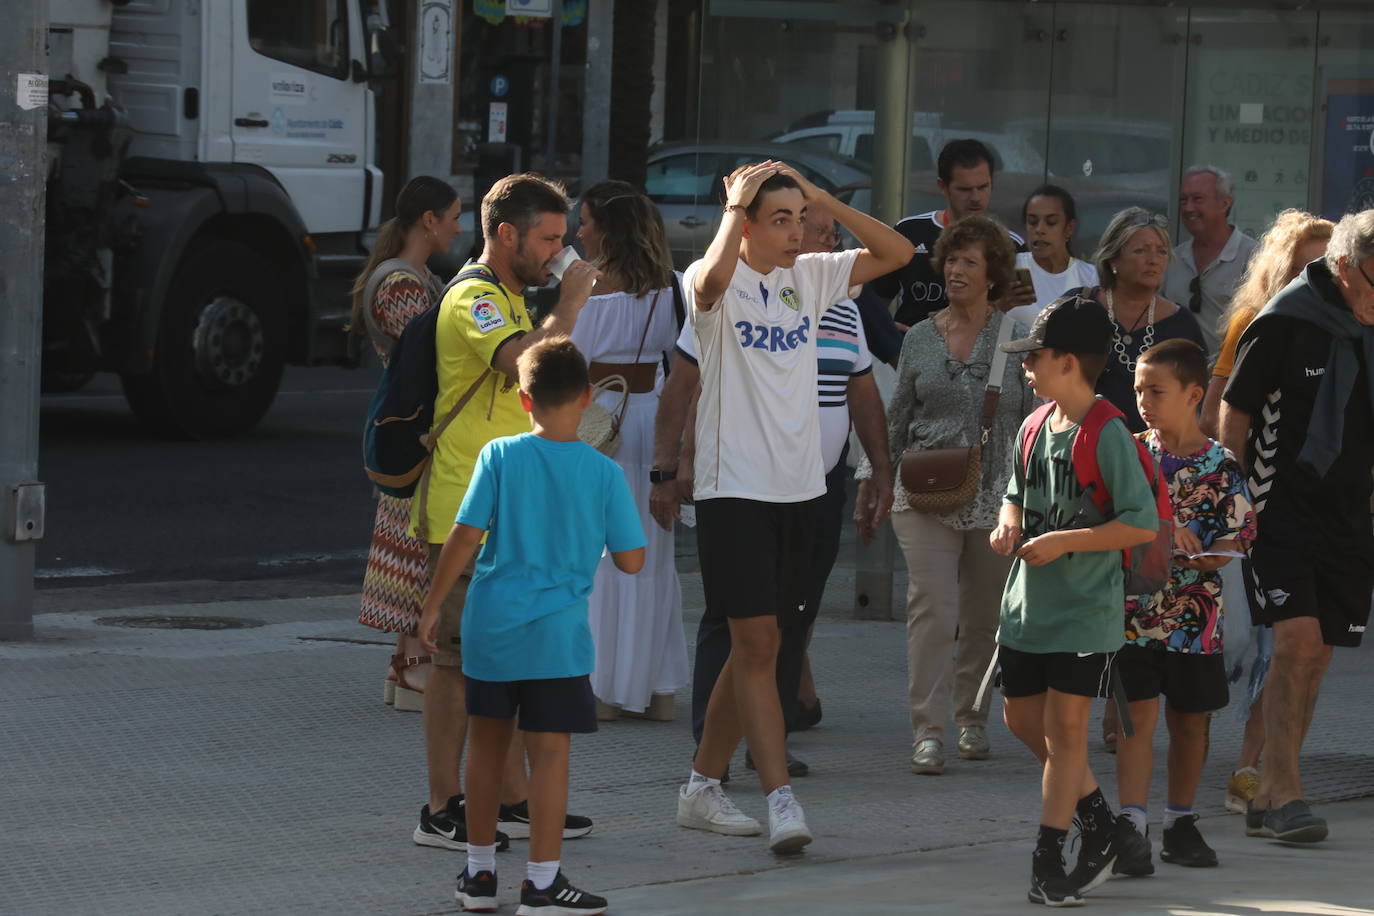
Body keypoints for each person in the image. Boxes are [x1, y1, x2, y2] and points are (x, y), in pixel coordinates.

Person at [674, 161, 913, 853]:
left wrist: (822, 198)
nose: (795, 231)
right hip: (733, 491)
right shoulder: (708, 278)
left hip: (802, 490)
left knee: (757, 646)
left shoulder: (812, 277)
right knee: (758, 646)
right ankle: (782, 800)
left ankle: (699, 787)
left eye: (797, 219)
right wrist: (731, 208)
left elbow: (897, 253)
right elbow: (715, 282)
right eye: (777, 220)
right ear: (744, 225)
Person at [418, 336, 646, 915]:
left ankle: (478, 876)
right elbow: (632, 559)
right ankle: (542, 885)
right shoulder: (603, 474)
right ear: (588, 396)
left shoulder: (499, 455)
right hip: (557, 640)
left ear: (524, 399)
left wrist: (431, 603)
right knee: (548, 757)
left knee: (488, 749)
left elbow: (465, 534)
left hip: (491, 627)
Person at [410, 173, 602, 852]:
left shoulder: (514, 297)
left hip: (510, 510)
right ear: (507, 234)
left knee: (516, 661)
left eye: (563, 238)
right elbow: (523, 365)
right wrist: (570, 304)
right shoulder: (473, 298)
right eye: (549, 238)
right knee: (458, 666)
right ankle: (441, 807)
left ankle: (515, 801)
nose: (559, 250)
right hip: (465, 509)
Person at [991, 295, 1159, 906]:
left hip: (1086, 611)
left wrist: (1065, 541)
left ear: (1068, 362)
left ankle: (1047, 860)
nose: (1025, 368)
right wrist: (1009, 523)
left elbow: (1141, 524)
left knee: (1066, 734)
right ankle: (1103, 824)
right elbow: (1014, 492)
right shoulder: (1035, 426)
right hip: (1027, 609)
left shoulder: (1107, 430)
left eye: (1032, 357)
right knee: (1019, 719)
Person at [855, 215, 1035, 775]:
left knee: (983, 616)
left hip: (994, 491)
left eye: (970, 263)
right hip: (925, 486)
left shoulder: (1016, 335)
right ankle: (927, 730)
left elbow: (1032, 422)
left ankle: (972, 719)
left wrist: (1032, 497)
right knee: (932, 609)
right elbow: (899, 414)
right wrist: (874, 476)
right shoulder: (917, 339)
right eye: (952, 260)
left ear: (992, 276)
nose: (956, 270)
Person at [1220, 209, 1374, 844]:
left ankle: (1266, 791)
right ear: (1343, 269)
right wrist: (1235, 509)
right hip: (1278, 509)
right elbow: (1233, 418)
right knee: (1297, 646)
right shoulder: (1284, 321)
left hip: (1350, 517)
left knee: (1318, 656)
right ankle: (1284, 792)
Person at [1198, 210, 1332, 815]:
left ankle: (1258, 770)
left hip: (1327, 515)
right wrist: (1239, 496)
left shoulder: (1352, 325)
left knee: (1295, 648)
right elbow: (1218, 414)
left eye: (1330, 263)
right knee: (1246, 648)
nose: (1323, 276)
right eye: (1308, 264)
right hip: (1257, 507)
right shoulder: (1257, 323)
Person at [1110, 339, 1255, 877]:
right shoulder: (1127, 451)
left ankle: (1181, 820)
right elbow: (1106, 519)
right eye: (1139, 389)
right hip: (1133, 618)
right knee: (1136, 721)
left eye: (1157, 390)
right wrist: (1160, 535)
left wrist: (1203, 549)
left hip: (1196, 622)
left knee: (1191, 723)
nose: (1144, 400)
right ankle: (1131, 824)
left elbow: (1235, 540)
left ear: (1195, 394)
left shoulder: (1221, 463)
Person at [569, 180, 688, 721]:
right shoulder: (675, 288)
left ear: (608, 229)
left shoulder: (584, 288)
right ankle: (656, 688)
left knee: (602, 558)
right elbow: (684, 362)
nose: (579, 230)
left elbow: (568, 360)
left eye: (587, 221)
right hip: (652, 418)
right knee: (652, 556)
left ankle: (604, 689)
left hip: (598, 423)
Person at [350, 176, 462, 711]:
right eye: (454, 216)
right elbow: (433, 352)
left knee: (413, 539)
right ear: (428, 221)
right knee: (414, 538)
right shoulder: (400, 284)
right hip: (411, 422)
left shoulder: (413, 276)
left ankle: (405, 660)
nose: (459, 227)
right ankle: (412, 662)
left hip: (411, 419)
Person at [868, 139, 1032, 328]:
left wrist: (998, 306)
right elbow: (874, 305)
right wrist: (893, 336)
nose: (976, 198)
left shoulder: (1011, 245)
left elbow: (1021, 316)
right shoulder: (909, 231)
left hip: (979, 353)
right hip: (911, 351)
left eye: (983, 187)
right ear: (943, 186)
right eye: (964, 189)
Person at [1201, 210, 1333, 438]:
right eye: (1304, 272)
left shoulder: (1351, 326)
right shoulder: (1252, 322)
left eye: (1327, 271)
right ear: (1279, 272)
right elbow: (1211, 417)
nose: (1318, 282)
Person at [1087, 207, 1206, 435]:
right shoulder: (1080, 307)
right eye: (1141, 251)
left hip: (1156, 456)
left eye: (1161, 252)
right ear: (1113, 259)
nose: (1153, 260)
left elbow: (1197, 395)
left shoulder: (1181, 323)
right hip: (1085, 445)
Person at [1161, 166, 1259, 355]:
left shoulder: (1255, 258)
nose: (1189, 208)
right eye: (1183, 200)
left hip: (1229, 378)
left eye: (1197, 199)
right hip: (1175, 377)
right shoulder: (1170, 259)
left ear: (1224, 203)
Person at [1007, 185, 1098, 329]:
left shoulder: (1091, 277)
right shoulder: (1008, 268)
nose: (1039, 230)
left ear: (1069, 228)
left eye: (1051, 222)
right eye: (1032, 222)